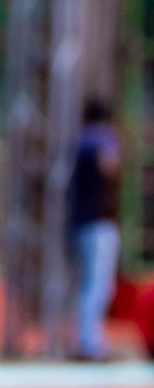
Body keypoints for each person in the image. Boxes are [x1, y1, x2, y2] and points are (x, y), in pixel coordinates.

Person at [69, 98, 121, 361]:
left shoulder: (78, 141)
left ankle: (86, 339)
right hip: (99, 223)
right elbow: (109, 165)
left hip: (80, 223)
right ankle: (89, 343)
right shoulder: (102, 138)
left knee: (88, 284)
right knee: (98, 285)